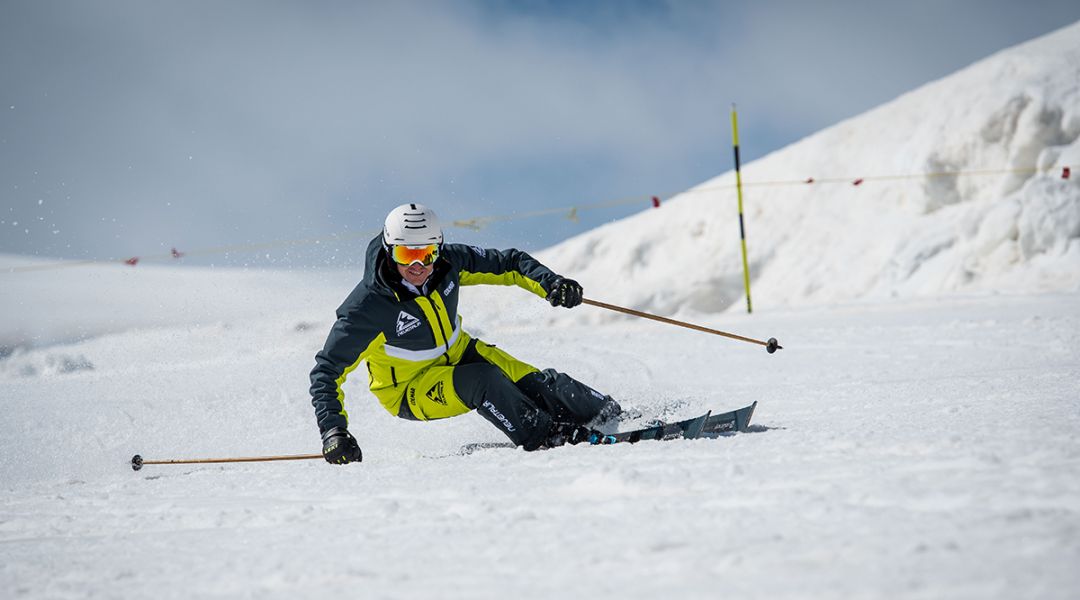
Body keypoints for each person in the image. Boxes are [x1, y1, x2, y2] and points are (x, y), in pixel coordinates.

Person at [310, 203, 622, 464]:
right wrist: (333, 431)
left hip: (459, 351)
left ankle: (610, 415)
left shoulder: (448, 264)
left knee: (539, 384)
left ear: (438, 248)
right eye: (406, 255)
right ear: (390, 251)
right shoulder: (367, 308)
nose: (418, 265)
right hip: (410, 388)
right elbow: (326, 371)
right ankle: (545, 436)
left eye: (427, 253)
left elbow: (509, 264)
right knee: (483, 381)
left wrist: (551, 283)